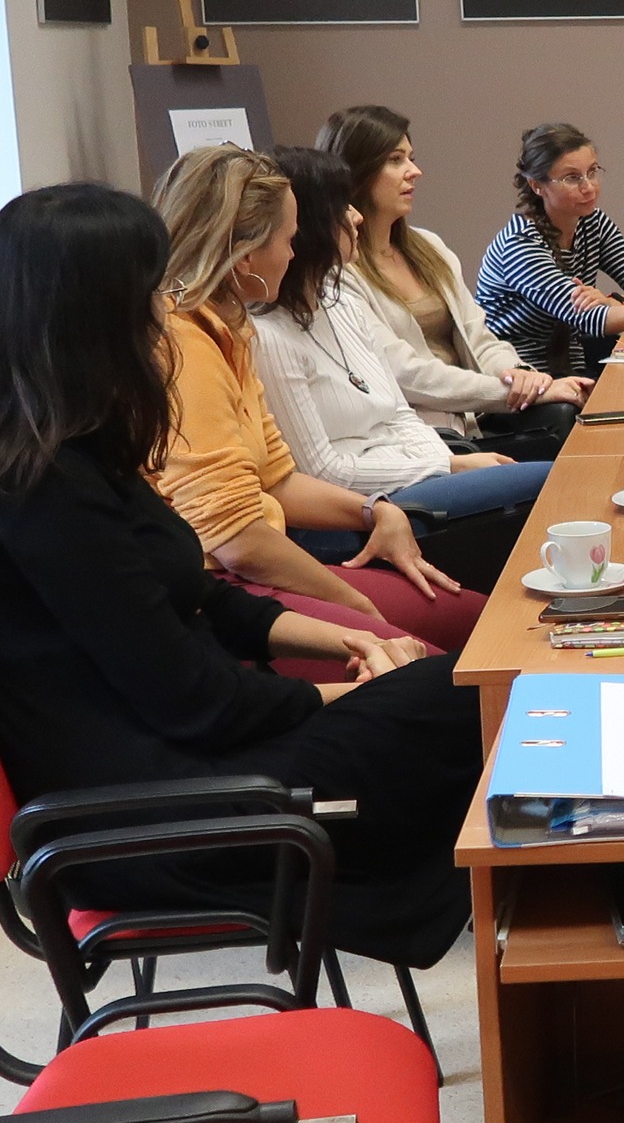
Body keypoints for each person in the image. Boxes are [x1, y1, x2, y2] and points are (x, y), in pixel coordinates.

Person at [0, 183, 477, 970]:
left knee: (454, 692)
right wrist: (354, 690)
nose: (162, 310)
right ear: (94, 314)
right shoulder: (43, 488)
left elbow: (201, 598)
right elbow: (194, 700)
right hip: (145, 811)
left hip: (179, 758)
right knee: (466, 701)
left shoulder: (77, 449)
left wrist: (344, 642)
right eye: (148, 290)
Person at [153, 144, 484, 654]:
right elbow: (236, 538)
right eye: (286, 239)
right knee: (441, 668)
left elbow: (279, 479)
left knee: (474, 622)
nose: (292, 251)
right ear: (243, 254)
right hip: (217, 587)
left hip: (255, 561)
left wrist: (374, 510)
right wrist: (353, 602)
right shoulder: (185, 343)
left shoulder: (230, 329)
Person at [251, 150, 551, 578]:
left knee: (547, 481)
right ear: (310, 224)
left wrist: (444, 460)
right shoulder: (269, 337)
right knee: (552, 484)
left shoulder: (342, 303)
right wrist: (444, 464)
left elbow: (400, 412)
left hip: (412, 475)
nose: (355, 217)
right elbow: (322, 471)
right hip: (355, 513)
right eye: (342, 206)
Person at [315, 104, 589, 459]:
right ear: (357, 173)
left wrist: (520, 375)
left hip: (475, 411)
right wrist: (508, 392)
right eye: (396, 160)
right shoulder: (339, 272)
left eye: (411, 158)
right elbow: (404, 374)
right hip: (422, 431)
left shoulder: (430, 247)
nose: (415, 171)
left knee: (566, 412)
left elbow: (481, 336)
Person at [476, 124, 624, 374]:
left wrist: (613, 301)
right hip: (518, 376)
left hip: (572, 365)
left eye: (592, 172)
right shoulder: (520, 244)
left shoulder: (593, 222)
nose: (588, 187)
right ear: (537, 186)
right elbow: (590, 319)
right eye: (572, 178)